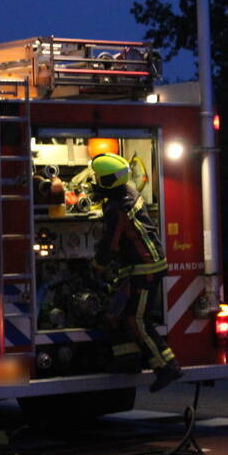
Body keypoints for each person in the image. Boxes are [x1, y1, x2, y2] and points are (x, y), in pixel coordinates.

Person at [89, 153, 182, 393]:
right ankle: (127, 360)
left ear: (105, 181)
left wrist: (99, 265)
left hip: (144, 269)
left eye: (97, 178)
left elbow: (111, 242)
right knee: (115, 313)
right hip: (139, 267)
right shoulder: (129, 191)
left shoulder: (117, 208)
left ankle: (167, 366)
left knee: (136, 319)